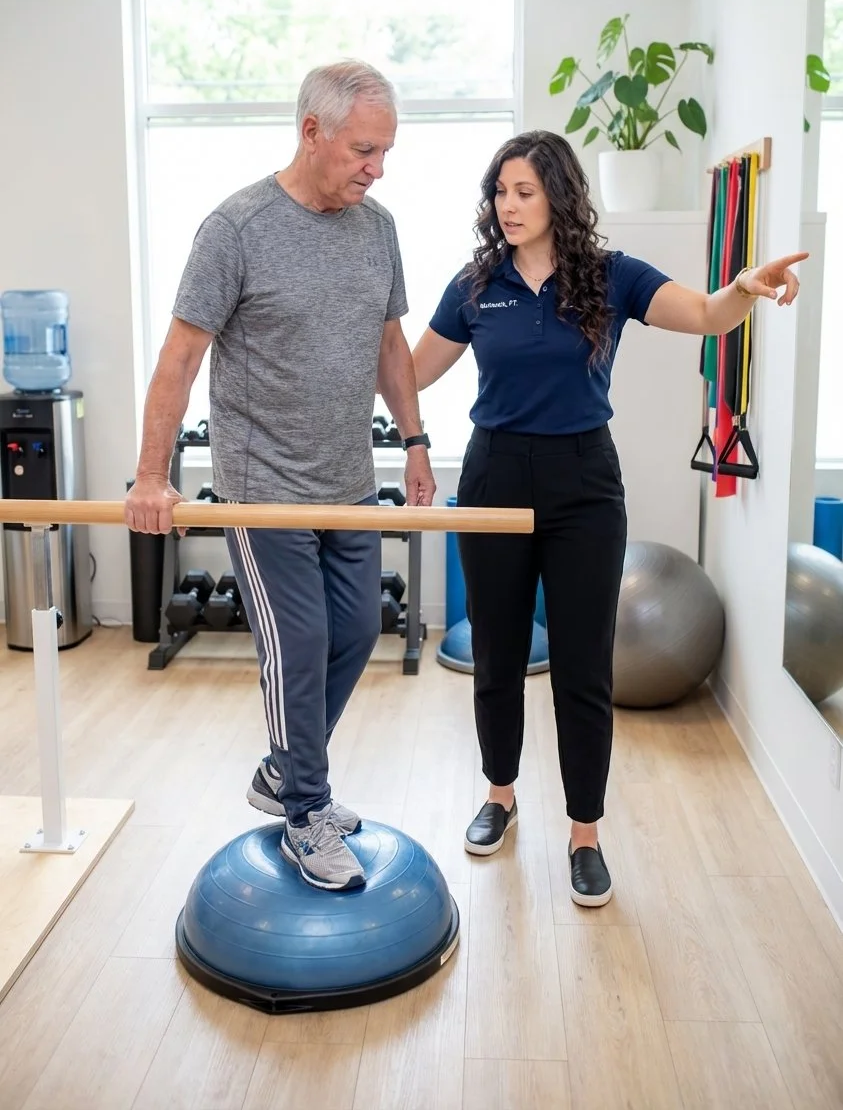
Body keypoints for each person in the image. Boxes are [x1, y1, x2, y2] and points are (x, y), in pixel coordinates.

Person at [412, 130, 804, 907]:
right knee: (496, 653)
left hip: (582, 480)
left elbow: (702, 315)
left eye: (524, 191)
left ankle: (584, 832)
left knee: (584, 666)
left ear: (559, 194)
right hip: (492, 473)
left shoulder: (608, 274)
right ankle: (498, 796)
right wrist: (408, 433)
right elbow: (408, 372)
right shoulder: (474, 284)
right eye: (500, 192)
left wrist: (743, 289)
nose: (509, 205)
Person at [125, 60, 436, 892]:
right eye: (364, 150)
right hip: (263, 488)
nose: (377, 168)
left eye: (385, 152)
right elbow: (180, 357)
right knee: (298, 645)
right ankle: (305, 810)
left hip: (347, 481)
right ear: (311, 132)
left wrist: (412, 440)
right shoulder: (236, 229)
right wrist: (150, 478)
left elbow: (388, 343)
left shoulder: (377, 228)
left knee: (358, 632)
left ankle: (281, 773)